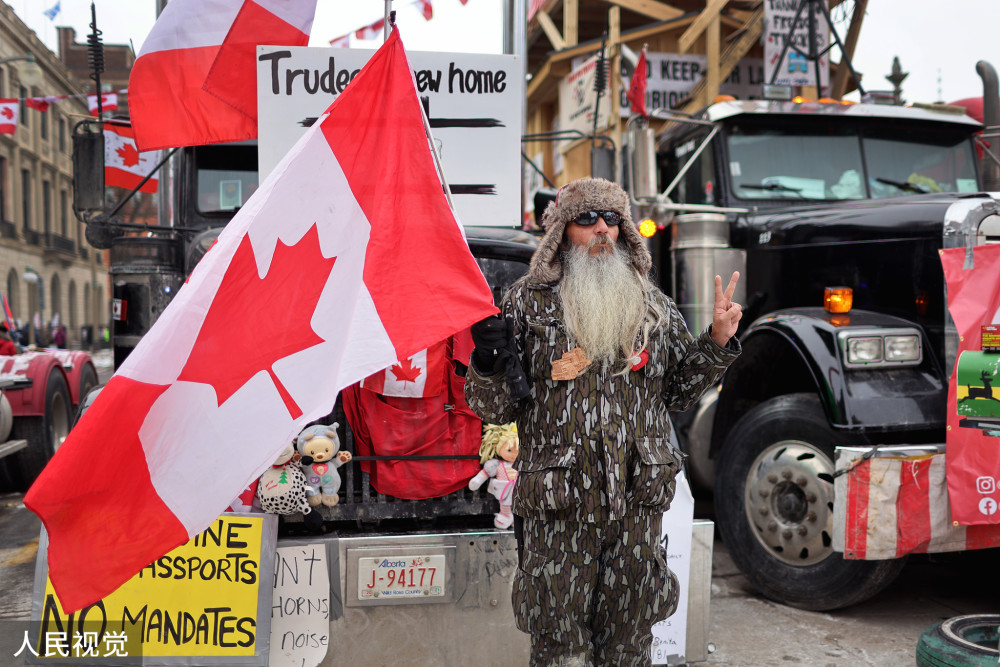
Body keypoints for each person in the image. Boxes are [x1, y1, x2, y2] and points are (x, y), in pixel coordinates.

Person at [464, 177, 742, 667]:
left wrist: (717, 342)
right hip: (559, 507)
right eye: (587, 219)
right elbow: (495, 409)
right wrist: (486, 359)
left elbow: (677, 391)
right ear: (561, 232)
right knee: (559, 641)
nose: (601, 230)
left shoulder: (651, 304)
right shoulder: (526, 303)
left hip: (636, 503)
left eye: (612, 220)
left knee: (630, 639)